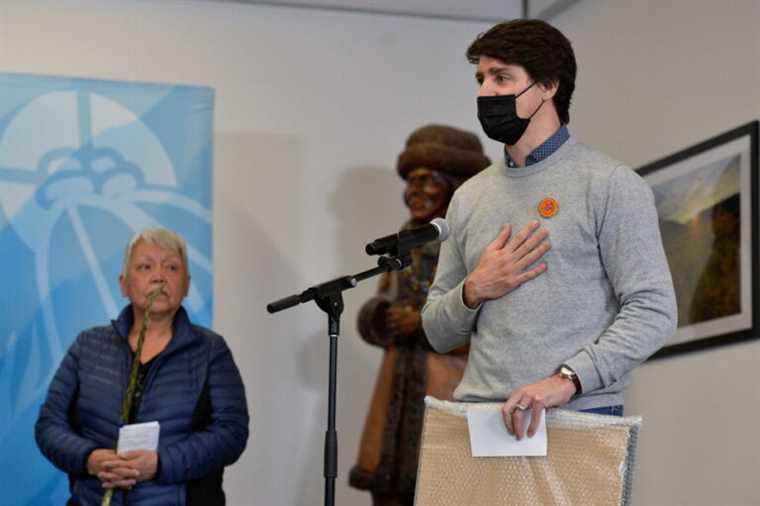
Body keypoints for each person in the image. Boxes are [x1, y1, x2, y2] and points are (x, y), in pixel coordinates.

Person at [421, 19, 677, 440]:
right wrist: (474, 290)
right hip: (481, 420)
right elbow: (436, 331)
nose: (485, 92)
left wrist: (566, 380)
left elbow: (654, 310)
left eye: (502, 78)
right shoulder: (468, 197)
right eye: (481, 79)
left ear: (549, 86)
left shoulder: (610, 183)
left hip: (579, 417)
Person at [35, 228, 249, 506]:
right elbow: (50, 425)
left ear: (186, 285)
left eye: (172, 267)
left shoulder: (210, 350)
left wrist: (161, 464)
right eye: (145, 266)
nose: (159, 276)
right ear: (124, 284)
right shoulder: (88, 345)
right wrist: (90, 459)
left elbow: (231, 432)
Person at [349, 125, 490, 506]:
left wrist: (424, 323)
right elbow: (384, 298)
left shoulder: (475, 239)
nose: (414, 191)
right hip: (397, 386)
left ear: (454, 185)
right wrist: (382, 316)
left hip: (449, 386)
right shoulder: (405, 239)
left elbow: (489, 324)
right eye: (410, 181)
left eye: (426, 180)